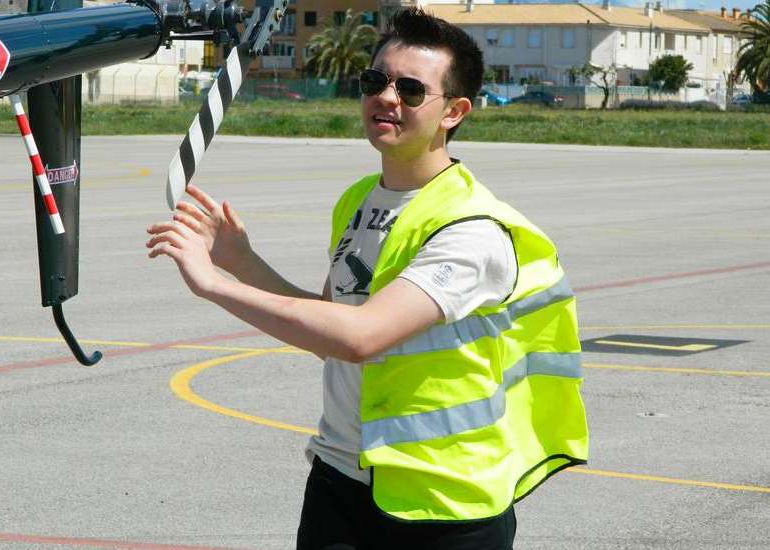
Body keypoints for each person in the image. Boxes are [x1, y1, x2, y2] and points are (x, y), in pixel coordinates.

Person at [146, 8, 588, 550]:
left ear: (454, 111)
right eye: (375, 81)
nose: (387, 97)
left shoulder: (473, 228)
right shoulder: (358, 200)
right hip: (341, 478)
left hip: (444, 501)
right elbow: (331, 327)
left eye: (411, 89)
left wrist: (213, 285)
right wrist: (242, 262)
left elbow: (361, 337)